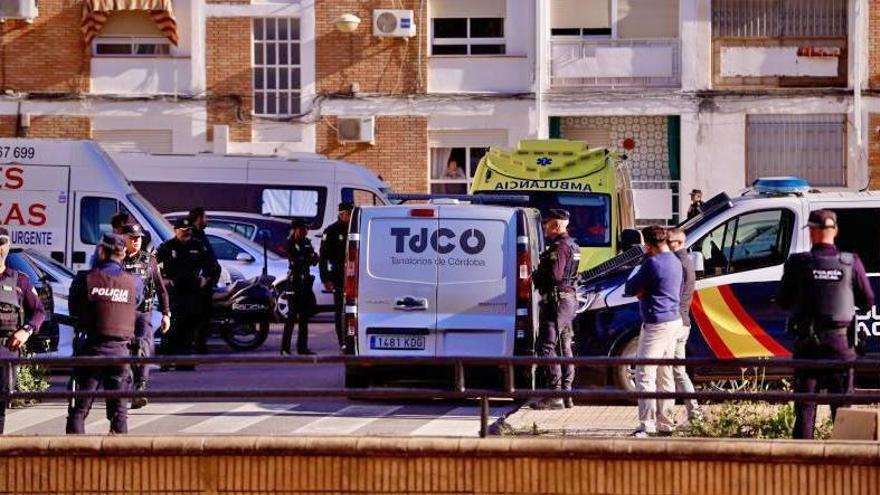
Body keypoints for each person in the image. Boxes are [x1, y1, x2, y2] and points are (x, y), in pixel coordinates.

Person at [777, 210, 874, 440]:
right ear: (836, 231)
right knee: (842, 412)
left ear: (811, 232)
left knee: (805, 410)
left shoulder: (798, 264)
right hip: (841, 346)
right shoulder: (851, 262)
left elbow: (782, 301)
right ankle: (844, 465)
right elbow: (868, 300)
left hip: (807, 346)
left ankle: (802, 465)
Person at [66, 233, 143, 434]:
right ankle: (118, 461)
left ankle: (72, 457)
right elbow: (136, 304)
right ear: (123, 254)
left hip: (92, 350)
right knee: (119, 412)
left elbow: (74, 310)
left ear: (101, 251)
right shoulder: (133, 282)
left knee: (79, 410)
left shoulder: (85, 279)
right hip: (120, 353)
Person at [624, 225, 682, 437]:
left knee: (645, 374)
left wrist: (642, 289)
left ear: (647, 244)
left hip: (655, 322)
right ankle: (666, 423)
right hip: (673, 320)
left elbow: (630, 287)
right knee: (665, 375)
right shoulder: (675, 261)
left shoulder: (652, 263)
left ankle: (646, 424)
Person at [529, 209, 580, 410]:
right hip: (568, 301)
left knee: (546, 346)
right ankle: (566, 394)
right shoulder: (573, 245)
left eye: (548, 224)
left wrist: (536, 276)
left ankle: (555, 394)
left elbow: (555, 277)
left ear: (557, 225)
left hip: (557, 301)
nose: (545, 228)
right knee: (564, 346)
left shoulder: (559, 248)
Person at [0, 227, 46, 434]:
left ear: (7, 246)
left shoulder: (21, 280)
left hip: (6, 350)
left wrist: (26, 331)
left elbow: (38, 312)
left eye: (2, 244)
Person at [120, 223, 171, 409]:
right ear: (124, 238)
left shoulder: (149, 260)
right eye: (132, 238)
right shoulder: (118, 259)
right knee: (125, 350)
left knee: (143, 347)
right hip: (122, 314)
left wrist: (166, 313)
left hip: (144, 313)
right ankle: (126, 387)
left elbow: (161, 289)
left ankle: (140, 387)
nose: (136, 241)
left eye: (139, 238)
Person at [156, 218, 215, 369]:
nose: (186, 232)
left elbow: (212, 266)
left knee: (189, 328)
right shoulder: (167, 247)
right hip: (174, 293)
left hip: (192, 293)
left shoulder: (198, 246)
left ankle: (185, 363)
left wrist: (206, 279)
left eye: (188, 229)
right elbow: (154, 266)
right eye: (182, 229)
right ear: (175, 230)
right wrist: (163, 279)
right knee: (171, 329)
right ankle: (167, 362)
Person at [666, 227, 702, 421]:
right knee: (678, 371)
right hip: (683, 321)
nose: (666, 244)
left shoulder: (677, 264)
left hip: (675, 322)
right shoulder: (686, 261)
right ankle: (694, 412)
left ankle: (667, 416)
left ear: (679, 243)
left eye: (669, 241)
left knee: (666, 371)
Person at [186, 207, 221, 353]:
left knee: (204, 317)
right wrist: (203, 277)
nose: (207, 220)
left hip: (207, 284)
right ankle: (198, 347)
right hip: (200, 285)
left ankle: (201, 345)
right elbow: (195, 260)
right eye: (205, 217)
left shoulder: (201, 234)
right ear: (198, 218)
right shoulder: (193, 236)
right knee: (199, 317)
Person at [281, 219, 319, 356]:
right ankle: (285, 348)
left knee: (304, 317)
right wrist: (306, 258)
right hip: (294, 282)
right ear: (296, 229)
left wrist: (308, 258)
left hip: (305, 282)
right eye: (303, 229)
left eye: (306, 229)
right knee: (291, 316)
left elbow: (314, 259)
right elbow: (296, 261)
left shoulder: (306, 242)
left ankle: (302, 347)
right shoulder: (290, 242)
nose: (305, 231)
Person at [320, 201, 353, 350]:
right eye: (349, 213)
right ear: (342, 214)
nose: (351, 216)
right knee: (340, 309)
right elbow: (323, 257)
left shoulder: (355, 229)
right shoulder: (331, 231)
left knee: (351, 310)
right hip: (338, 275)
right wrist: (325, 278)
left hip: (353, 275)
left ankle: (351, 338)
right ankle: (342, 342)